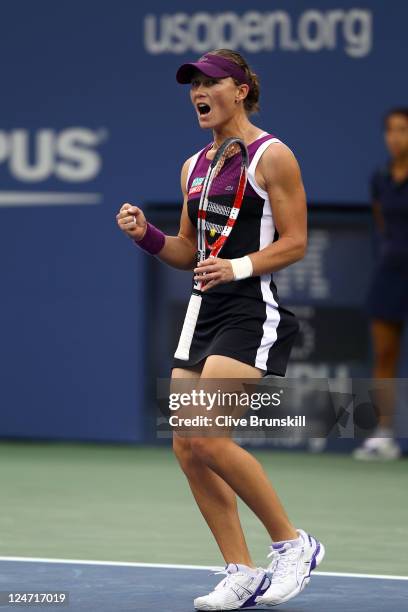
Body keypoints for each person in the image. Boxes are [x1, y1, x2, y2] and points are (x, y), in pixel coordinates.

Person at [117, 49, 325, 610]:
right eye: (193, 86)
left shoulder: (272, 156)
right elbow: (189, 251)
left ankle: (294, 543)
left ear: (241, 89)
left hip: (250, 309)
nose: (198, 93)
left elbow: (296, 241)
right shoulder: (194, 166)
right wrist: (147, 237)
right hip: (201, 311)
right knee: (188, 447)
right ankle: (241, 569)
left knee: (209, 437)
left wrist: (237, 266)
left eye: (210, 83)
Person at [354, 108, 408, 461]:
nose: (395, 137)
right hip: (391, 273)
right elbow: (382, 223)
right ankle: (383, 435)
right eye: (390, 130)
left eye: (402, 130)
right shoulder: (380, 178)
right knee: (385, 355)